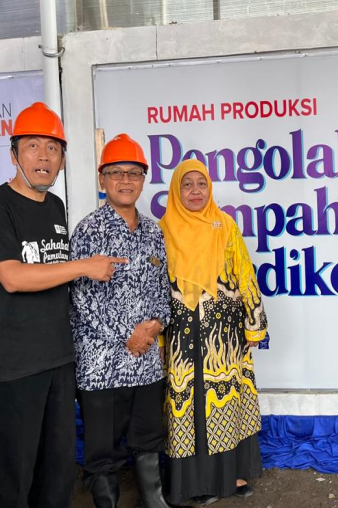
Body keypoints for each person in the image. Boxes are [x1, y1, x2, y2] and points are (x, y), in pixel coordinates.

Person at [0, 102, 125, 508]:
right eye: (33, 146)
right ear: (14, 154)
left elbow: (56, 274)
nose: (44, 156)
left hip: (59, 357)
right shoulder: (1, 206)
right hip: (15, 365)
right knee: (15, 471)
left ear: (63, 159)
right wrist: (83, 266)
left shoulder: (55, 206)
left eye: (53, 148)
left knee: (57, 469)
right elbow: (13, 277)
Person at [70, 134, 172, 508]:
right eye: (116, 173)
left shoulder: (154, 231)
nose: (125, 180)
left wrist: (156, 324)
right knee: (102, 447)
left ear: (144, 179)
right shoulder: (89, 230)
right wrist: (126, 336)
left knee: (147, 437)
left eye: (133, 172)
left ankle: (153, 499)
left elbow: (164, 288)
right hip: (102, 363)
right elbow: (82, 298)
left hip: (145, 359)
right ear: (103, 180)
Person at [159, 159, 268, 505]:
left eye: (201, 184)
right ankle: (195, 483)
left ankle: (231, 474)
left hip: (223, 339)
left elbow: (245, 274)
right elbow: (154, 288)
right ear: (176, 190)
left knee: (225, 399)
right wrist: (159, 337)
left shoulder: (226, 226)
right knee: (190, 406)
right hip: (181, 337)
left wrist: (254, 324)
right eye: (187, 184)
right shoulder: (162, 230)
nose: (194, 191)